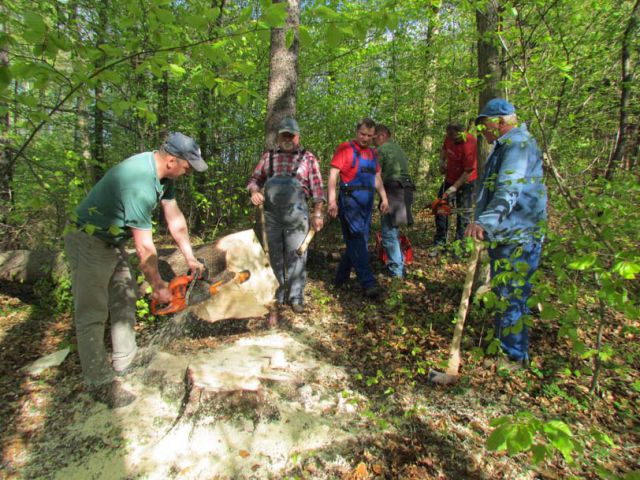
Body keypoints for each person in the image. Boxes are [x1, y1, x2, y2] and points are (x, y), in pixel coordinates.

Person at [64, 132, 208, 408]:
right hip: (87, 238)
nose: (188, 171)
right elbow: (144, 247)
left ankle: (126, 359)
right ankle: (99, 382)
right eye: (187, 165)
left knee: (124, 298)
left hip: (112, 240)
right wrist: (158, 285)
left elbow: (174, 217)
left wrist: (190, 258)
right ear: (171, 160)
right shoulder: (139, 182)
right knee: (92, 313)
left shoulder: (165, 177)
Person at [466, 98, 548, 366]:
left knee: (512, 295)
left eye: (485, 124)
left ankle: (512, 358)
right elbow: (492, 190)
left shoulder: (517, 146)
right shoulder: (506, 146)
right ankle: (503, 348)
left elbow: (508, 191)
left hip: (519, 236)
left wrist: (484, 222)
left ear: (500, 122)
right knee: (503, 292)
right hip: (508, 234)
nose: (483, 131)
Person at [247, 118, 325, 318]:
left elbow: (317, 190)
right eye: (284, 135)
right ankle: (276, 295)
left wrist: (317, 214)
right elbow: (254, 180)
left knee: (297, 255)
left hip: (298, 216)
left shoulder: (308, 159)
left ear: (297, 136)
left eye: (291, 135)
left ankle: (296, 297)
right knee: (272, 255)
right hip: (271, 216)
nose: (287, 138)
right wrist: (254, 191)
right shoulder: (269, 157)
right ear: (279, 136)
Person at [328, 118, 389, 298]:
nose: (365, 138)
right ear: (357, 132)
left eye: (369, 136)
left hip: (367, 202)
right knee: (357, 239)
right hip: (350, 201)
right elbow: (333, 175)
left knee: (358, 240)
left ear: (374, 136)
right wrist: (332, 201)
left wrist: (384, 197)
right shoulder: (345, 148)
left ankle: (340, 278)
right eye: (362, 134)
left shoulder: (373, 153)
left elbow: (377, 177)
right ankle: (368, 282)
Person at [374, 124, 414, 278]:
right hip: (406, 189)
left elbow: (377, 175)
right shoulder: (397, 148)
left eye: (374, 137)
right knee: (393, 230)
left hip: (394, 190)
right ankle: (400, 266)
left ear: (382, 135)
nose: (372, 141)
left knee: (388, 232)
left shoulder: (381, 150)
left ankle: (396, 272)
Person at [431, 123, 477, 257]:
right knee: (440, 207)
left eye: (453, 135)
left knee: (463, 214)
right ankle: (440, 242)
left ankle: (459, 248)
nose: (450, 138)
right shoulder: (448, 138)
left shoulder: (470, 144)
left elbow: (468, 171)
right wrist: (442, 162)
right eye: (449, 135)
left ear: (462, 133)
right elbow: (444, 150)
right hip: (450, 178)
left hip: (467, 182)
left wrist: (454, 188)